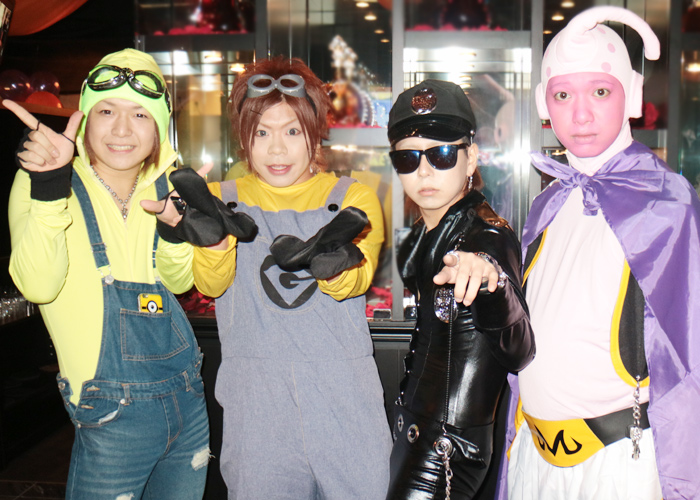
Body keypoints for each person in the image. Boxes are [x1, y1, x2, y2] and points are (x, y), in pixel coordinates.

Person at [497, 7, 700, 500]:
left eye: (600, 92)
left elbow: (689, 353)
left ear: (631, 96)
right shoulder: (547, 203)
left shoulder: (666, 202)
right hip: (533, 455)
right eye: (563, 95)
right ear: (545, 104)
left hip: (621, 464)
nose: (581, 114)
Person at [167, 56, 392, 499]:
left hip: (345, 402)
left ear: (315, 130)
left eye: (292, 131)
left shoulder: (354, 197)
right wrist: (214, 243)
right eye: (261, 133)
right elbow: (211, 286)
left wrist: (334, 267)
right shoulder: (219, 200)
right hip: (257, 410)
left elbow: (358, 280)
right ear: (243, 137)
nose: (276, 150)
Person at [6, 48, 210, 500]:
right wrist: (49, 189)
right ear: (85, 118)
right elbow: (38, 285)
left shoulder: (169, 184)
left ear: (158, 127)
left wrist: (175, 233)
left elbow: (178, 283)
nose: (121, 129)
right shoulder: (43, 177)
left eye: (140, 114)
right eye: (106, 111)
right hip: (108, 413)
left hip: (187, 401)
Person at [385, 79, 535, 500]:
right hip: (413, 432)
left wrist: (492, 281)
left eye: (442, 154)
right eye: (408, 158)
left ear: (471, 159)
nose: (424, 171)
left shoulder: (486, 236)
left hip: (447, 450)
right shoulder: (422, 235)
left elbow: (520, 350)